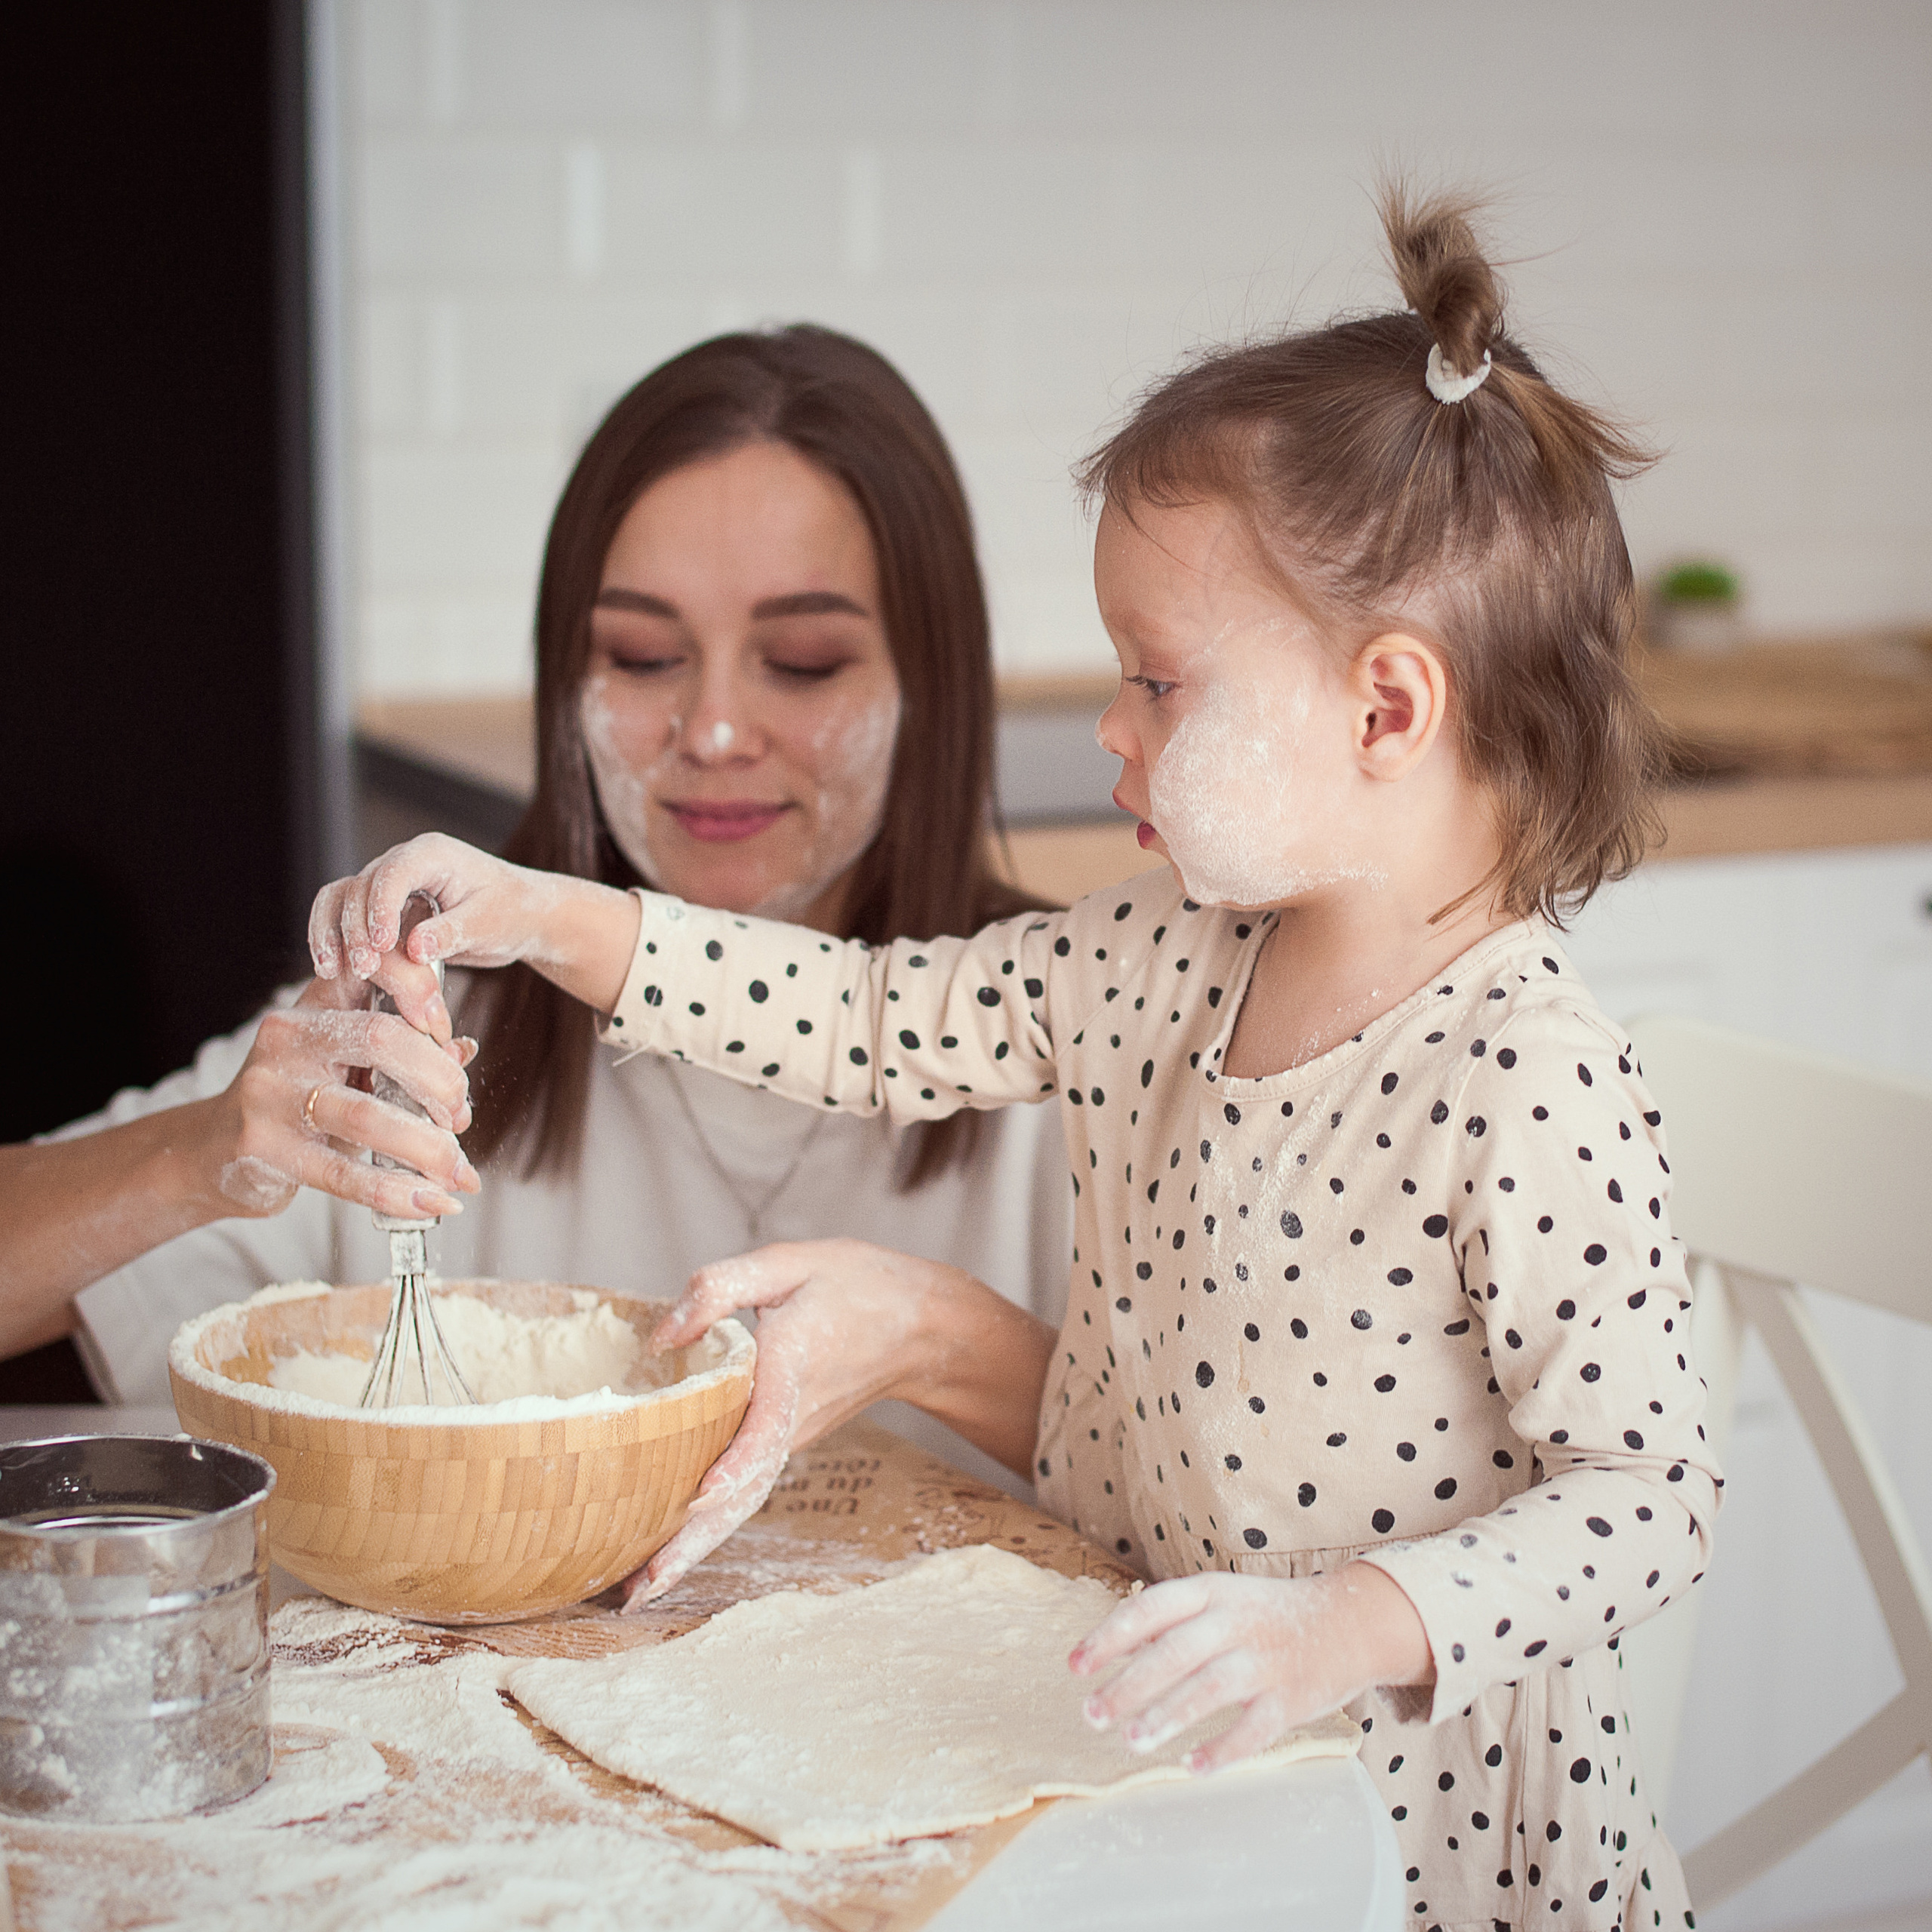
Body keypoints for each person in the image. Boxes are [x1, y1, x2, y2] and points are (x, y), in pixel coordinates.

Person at [313, 191, 1718, 1930]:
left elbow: (1649, 1501)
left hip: (1426, 1826)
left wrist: (1351, 1621)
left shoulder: (1530, 1079)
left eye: (1155, 682)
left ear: (1382, 709)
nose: (1111, 732)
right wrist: (551, 914)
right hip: (1181, 1781)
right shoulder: (1153, 951)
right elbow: (864, 1018)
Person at [0, 326, 1070, 1495]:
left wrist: (944, 1339)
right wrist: (198, 1156)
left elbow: (1239, 1506)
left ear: (938, 683)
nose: (712, 732)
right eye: (642, 655)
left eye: (803, 661)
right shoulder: (425, 1034)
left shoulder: (1082, 1024)